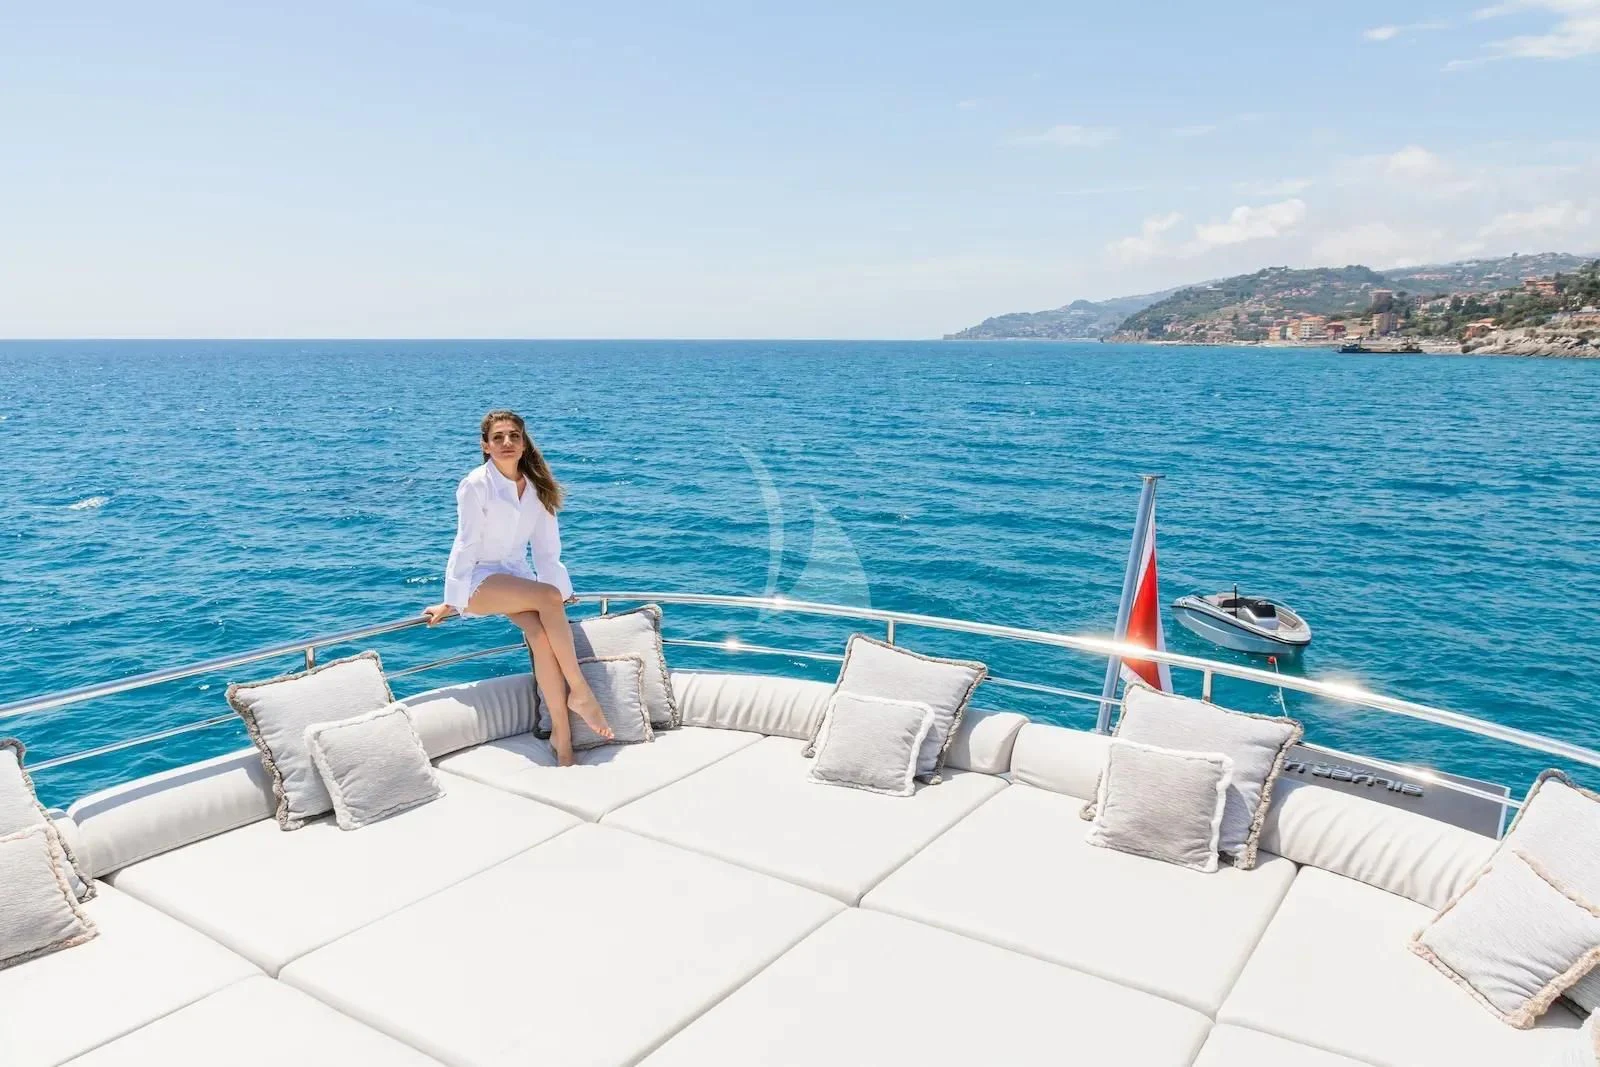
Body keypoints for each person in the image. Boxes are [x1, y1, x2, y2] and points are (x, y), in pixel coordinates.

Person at [423, 409, 612, 765]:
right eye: (498, 437)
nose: (507, 442)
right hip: (479, 580)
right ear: (485, 445)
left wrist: (557, 587)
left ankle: (563, 739)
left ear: (524, 444)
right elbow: (465, 544)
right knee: (547, 597)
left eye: (514, 436)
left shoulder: (538, 487)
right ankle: (581, 692)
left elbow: (546, 548)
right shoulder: (476, 484)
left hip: (515, 577)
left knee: (542, 637)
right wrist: (452, 600)